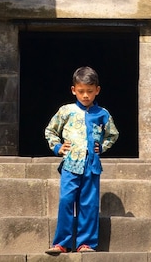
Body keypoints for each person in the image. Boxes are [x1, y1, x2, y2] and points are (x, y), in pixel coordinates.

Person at [44, 66, 119, 254]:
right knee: (66, 200)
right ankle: (62, 243)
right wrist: (57, 146)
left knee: (89, 204)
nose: (85, 95)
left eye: (90, 92)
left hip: (91, 166)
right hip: (70, 165)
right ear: (73, 90)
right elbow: (50, 130)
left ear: (97, 91)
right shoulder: (66, 111)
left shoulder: (102, 114)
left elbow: (113, 134)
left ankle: (86, 243)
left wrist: (101, 147)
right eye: (81, 91)